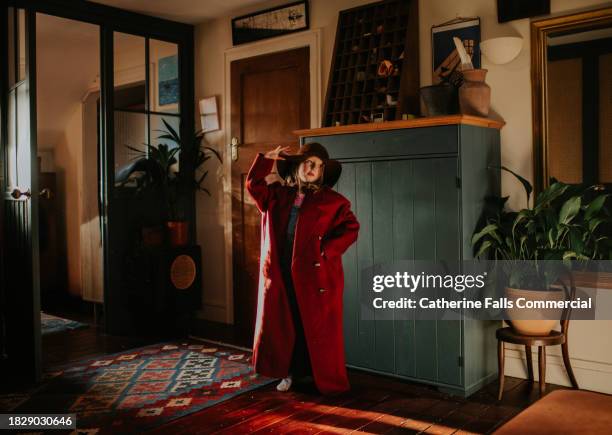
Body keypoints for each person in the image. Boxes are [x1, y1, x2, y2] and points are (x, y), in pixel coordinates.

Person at [246, 142, 360, 395]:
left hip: (315, 276)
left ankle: (317, 376)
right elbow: (254, 185)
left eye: (319, 166)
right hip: (280, 272)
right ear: (297, 166)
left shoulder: (333, 202)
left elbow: (352, 228)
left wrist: (326, 251)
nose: (313, 168)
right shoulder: (276, 195)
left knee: (309, 324)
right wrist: (266, 160)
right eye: (309, 162)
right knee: (284, 325)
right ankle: (286, 373)